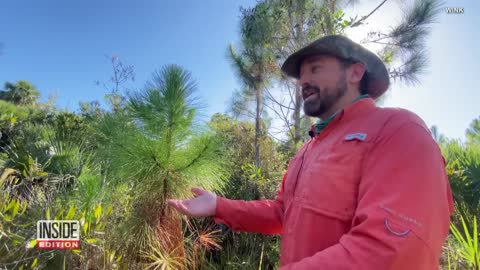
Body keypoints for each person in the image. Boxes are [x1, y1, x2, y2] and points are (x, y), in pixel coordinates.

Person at [167, 35, 454, 269]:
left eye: (315, 68)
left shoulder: (397, 130)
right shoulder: (307, 151)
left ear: (356, 71)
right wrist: (219, 205)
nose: (303, 82)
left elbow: (394, 251)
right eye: (300, 76)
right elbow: (282, 213)